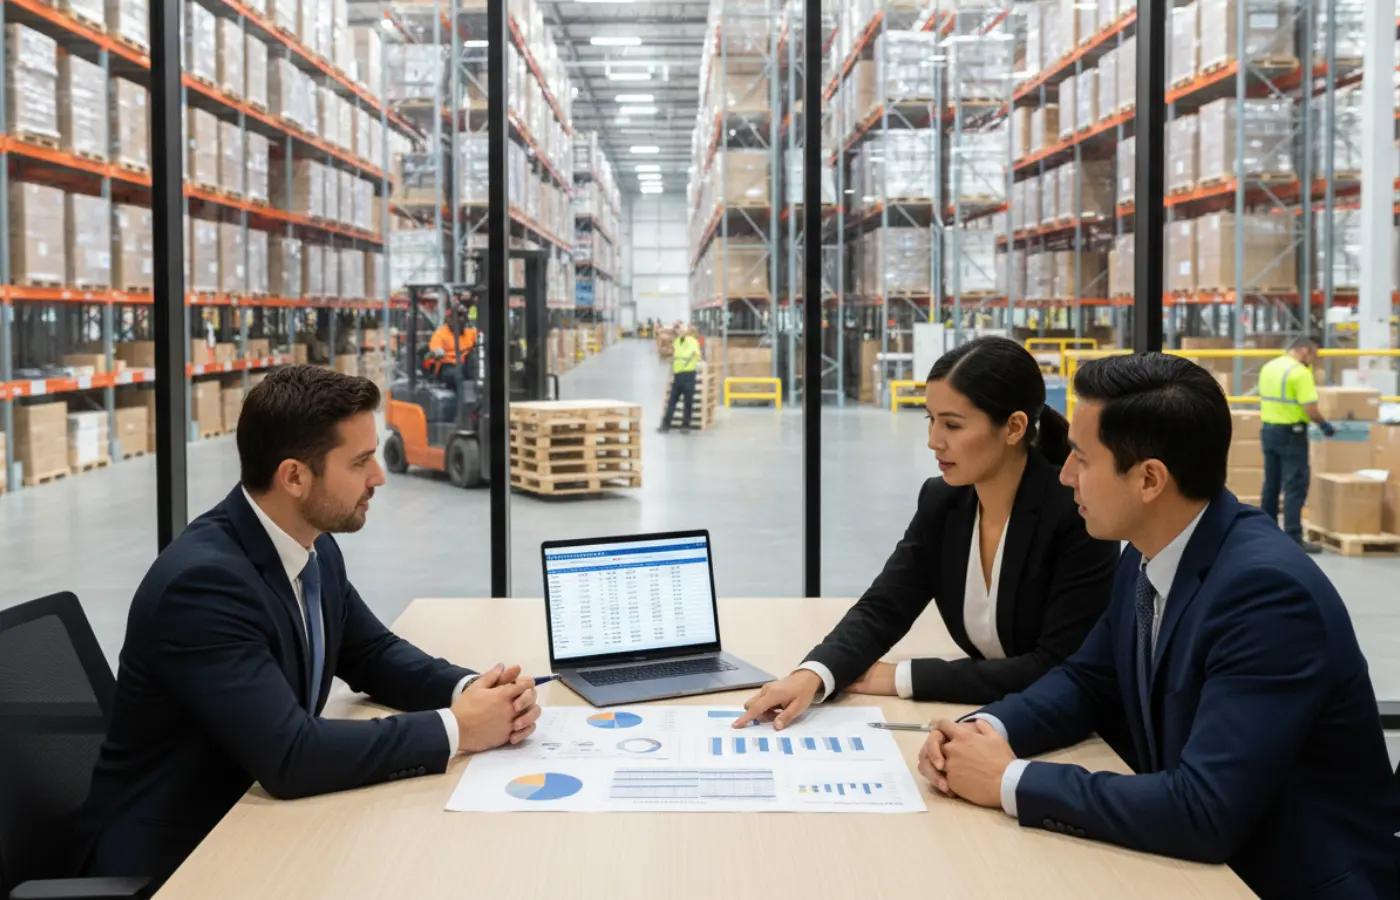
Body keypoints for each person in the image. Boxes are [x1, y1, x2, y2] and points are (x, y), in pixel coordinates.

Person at [917, 353, 1400, 900]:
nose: (1066, 475)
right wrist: (985, 732)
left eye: (1080, 457)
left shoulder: (1264, 595)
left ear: (1149, 478)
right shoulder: (1154, 550)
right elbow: (1085, 682)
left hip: (1281, 880)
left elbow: (1204, 810)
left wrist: (1008, 780)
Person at [77, 366, 542, 888]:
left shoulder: (311, 545)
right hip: (179, 858)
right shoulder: (203, 586)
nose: (380, 477)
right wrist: (458, 728)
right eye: (361, 462)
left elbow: (372, 652)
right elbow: (292, 756)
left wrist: (473, 689)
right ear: (294, 476)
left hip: (254, 825)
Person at [736, 337, 1120, 730]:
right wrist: (814, 675)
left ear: (1014, 427)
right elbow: (885, 606)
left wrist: (904, 677)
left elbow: (1058, 666)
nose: (933, 441)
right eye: (930, 420)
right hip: (996, 713)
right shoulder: (943, 502)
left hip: (1075, 731)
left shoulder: (1076, 514)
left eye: (952, 424)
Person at [1258, 338, 1334, 553]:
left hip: (1269, 430)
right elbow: (1310, 408)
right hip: (1292, 434)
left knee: (1271, 483)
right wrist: (1325, 425)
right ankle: (1293, 537)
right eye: (1313, 355)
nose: (1313, 361)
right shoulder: (1300, 373)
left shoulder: (1269, 367)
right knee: (1295, 484)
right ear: (1304, 350)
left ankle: (1265, 532)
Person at [659, 324, 702, 433]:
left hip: (688, 375)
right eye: (680, 330)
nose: (681, 332)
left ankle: (685, 425)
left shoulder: (693, 342)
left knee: (687, 402)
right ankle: (666, 424)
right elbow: (670, 353)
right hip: (678, 376)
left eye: (683, 330)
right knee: (673, 401)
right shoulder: (677, 342)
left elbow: (697, 356)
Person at [428, 304, 477, 390]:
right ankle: (464, 399)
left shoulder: (471, 332)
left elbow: (481, 341)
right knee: (457, 375)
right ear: (449, 319)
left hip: (465, 365)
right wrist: (438, 351)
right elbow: (435, 347)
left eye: (463, 316)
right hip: (448, 365)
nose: (461, 319)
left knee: (474, 360)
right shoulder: (440, 333)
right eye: (458, 316)